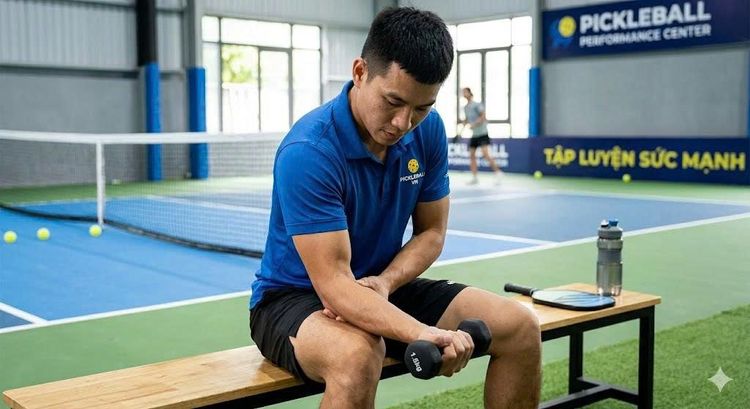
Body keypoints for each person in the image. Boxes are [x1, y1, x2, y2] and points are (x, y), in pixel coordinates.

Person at [249, 7, 540, 409]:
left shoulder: (429, 131)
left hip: (382, 287)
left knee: (520, 326)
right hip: (295, 298)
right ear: (360, 72)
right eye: (393, 101)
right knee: (358, 356)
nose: (404, 122)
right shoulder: (310, 151)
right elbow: (334, 283)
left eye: (421, 108)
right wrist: (420, 332)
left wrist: (386, 283)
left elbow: (432, 233)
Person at [460, 87, 504, 185]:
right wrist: (463, 125)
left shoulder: (477, 105)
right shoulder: (465, 108)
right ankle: (474, 178)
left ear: (470, 93)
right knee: (472, 155)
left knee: (485, 154)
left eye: (465, 92)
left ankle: (498, 173)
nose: (463, 94)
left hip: (482, 133)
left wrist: (474, 124)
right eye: (463, 92)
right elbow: (467, 119)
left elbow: (483, 117)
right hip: (474, 135)